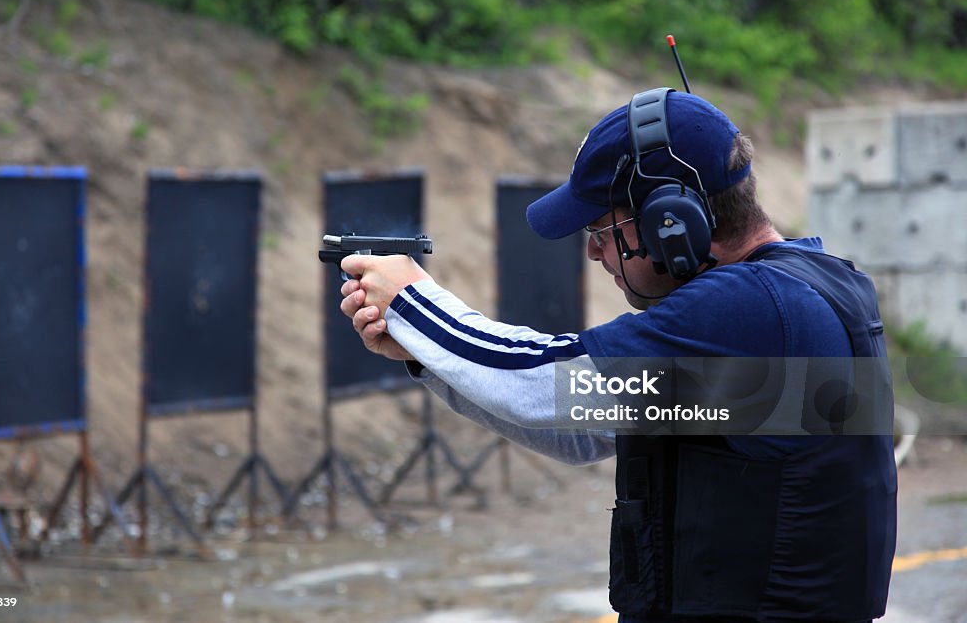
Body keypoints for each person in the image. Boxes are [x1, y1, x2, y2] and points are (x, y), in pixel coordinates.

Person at [336, 89, 897, 622]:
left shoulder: (752, 308)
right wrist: (424, 355)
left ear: (670, 221)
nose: (594, 249)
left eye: (604, 228)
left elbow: (550, 383)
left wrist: (413, 303)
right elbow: (583, 429)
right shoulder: (807, 293)